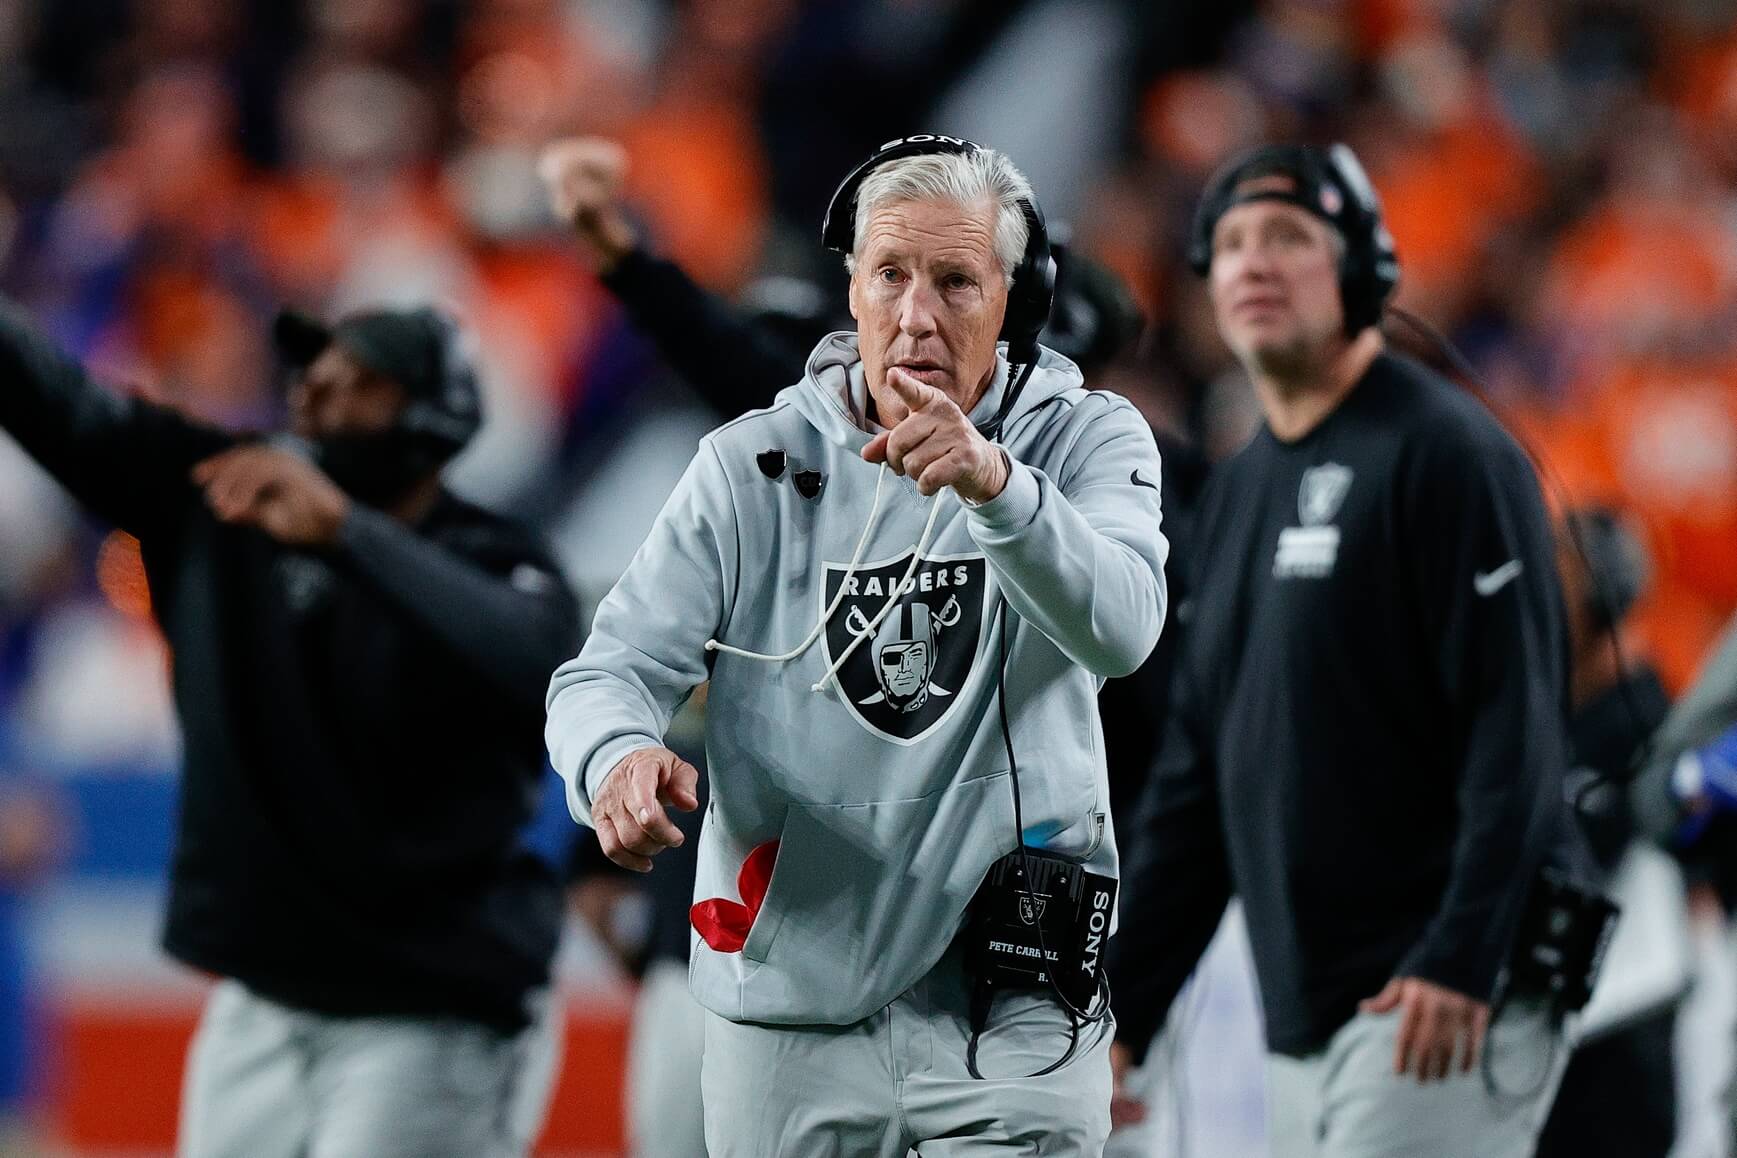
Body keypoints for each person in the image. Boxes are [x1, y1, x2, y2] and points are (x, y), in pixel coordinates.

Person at [546, 135, 1168, 1156]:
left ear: (1017, 300)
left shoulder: (1085, 438)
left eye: (957, 281)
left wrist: (997, 488)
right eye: (892, 276)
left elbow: (1124, 627)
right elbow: (607, 672)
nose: (917, 316)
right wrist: (613, 758)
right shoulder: (746, 467)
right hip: (791, 997)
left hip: (1008, 1000)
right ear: (853, 289)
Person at [0, 299, 580, 1158]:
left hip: (430, 1005)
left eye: (363, 382)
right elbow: (66, 407)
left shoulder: (496, 554)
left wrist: (349, 534)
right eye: (317, 372)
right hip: (264, 995)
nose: (321, 392)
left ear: (437, 410)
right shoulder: (224, 492)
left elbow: (539, 659)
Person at [1108, 143, 1574, 1157]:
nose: (1253, 264)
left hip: (1440, 989)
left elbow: (1519, 724)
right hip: (1308, 1006)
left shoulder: (1451, 453)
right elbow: (1199, 776)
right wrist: (1123, 1012)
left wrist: (1463, 955)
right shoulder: (1236, 493)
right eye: (1230, 243)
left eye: (1288, 237)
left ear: (1364, 270)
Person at [1534, 506, 1683, 1158]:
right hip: (1554, 1034)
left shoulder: (1643, 723)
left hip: (1621, 1030)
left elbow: (1581, 854)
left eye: (1558, 582)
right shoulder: (1541, 720)